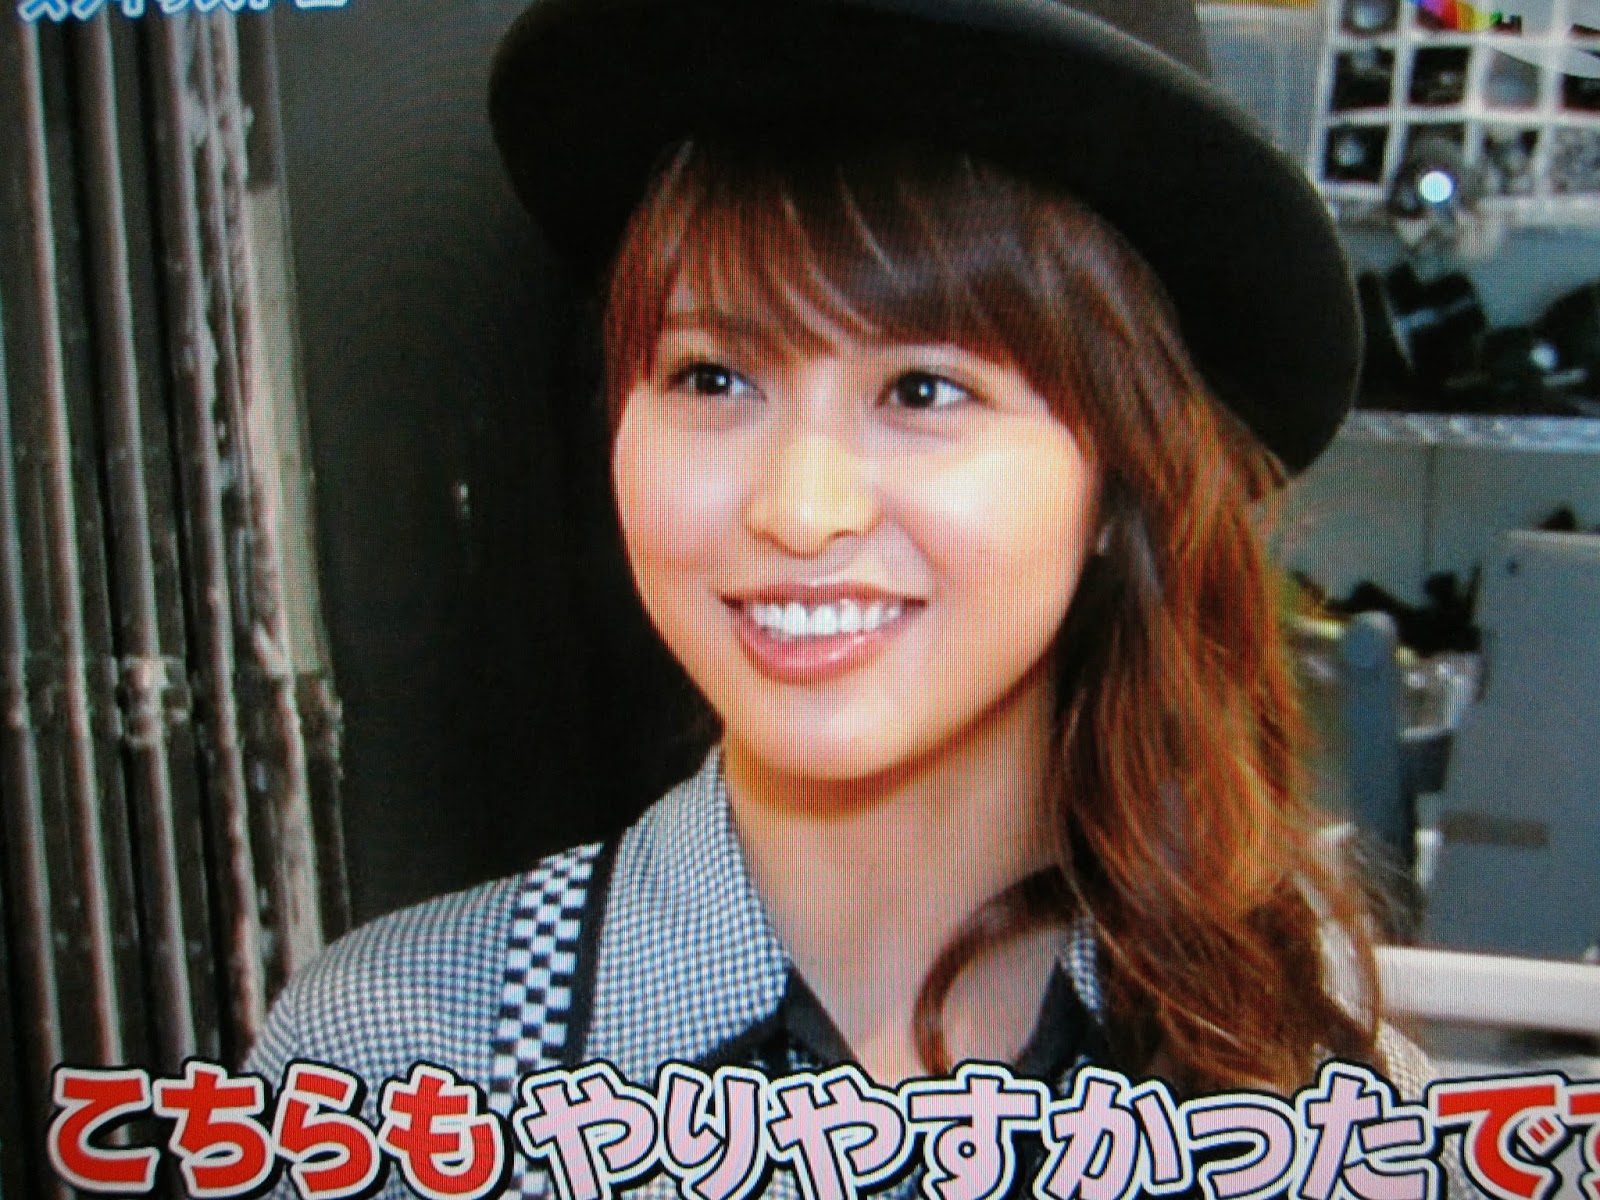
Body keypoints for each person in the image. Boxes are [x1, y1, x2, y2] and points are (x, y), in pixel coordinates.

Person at [248, 0, 1433, 1193]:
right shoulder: (405, 1060)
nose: (800, 509)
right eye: (712, 377)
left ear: (1122, 483)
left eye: (922, 390)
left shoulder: (1301, 1075)